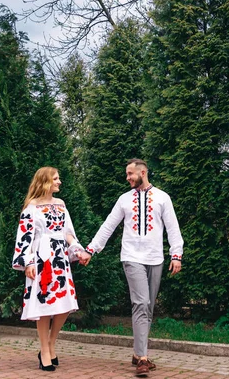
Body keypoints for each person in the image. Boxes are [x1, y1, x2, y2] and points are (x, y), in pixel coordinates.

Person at [78, 158, 183, 377]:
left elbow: (173, 228)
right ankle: (143, 360)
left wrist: (176, 255)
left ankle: (137, 353)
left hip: (156, 259)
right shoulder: (124, 200)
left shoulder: (163, 198)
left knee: (148, 307)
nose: (127, 178)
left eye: (130, 174)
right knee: (141, 303)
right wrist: (91, 249)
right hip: (131, 257)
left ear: (143, 172)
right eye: (127, 174)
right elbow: (108, 225)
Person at [12, 167, 86, 371]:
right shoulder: (31, 208)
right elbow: (24, 238)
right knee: (44, 306)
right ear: (45, 181)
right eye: (55, 178)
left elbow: (68, 233)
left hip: (60, 259)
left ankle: (52, 342)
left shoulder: (61, 205)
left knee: (64, 304)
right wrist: (27, 263)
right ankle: (44, 350)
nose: (59, 182)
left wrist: (77, 250)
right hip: (40, 260)